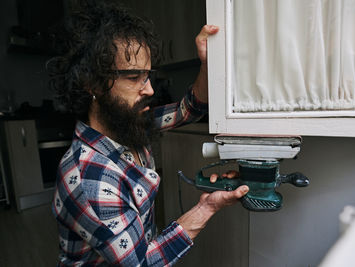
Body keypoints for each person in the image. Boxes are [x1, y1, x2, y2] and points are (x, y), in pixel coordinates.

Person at [48, 2, 249, 266]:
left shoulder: (130, 123)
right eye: (134, 77)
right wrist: (207, 207)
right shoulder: (89, 177)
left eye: (148, 75)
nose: (150, 90)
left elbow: (189, 109)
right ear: (92, 83)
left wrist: (207, 63)